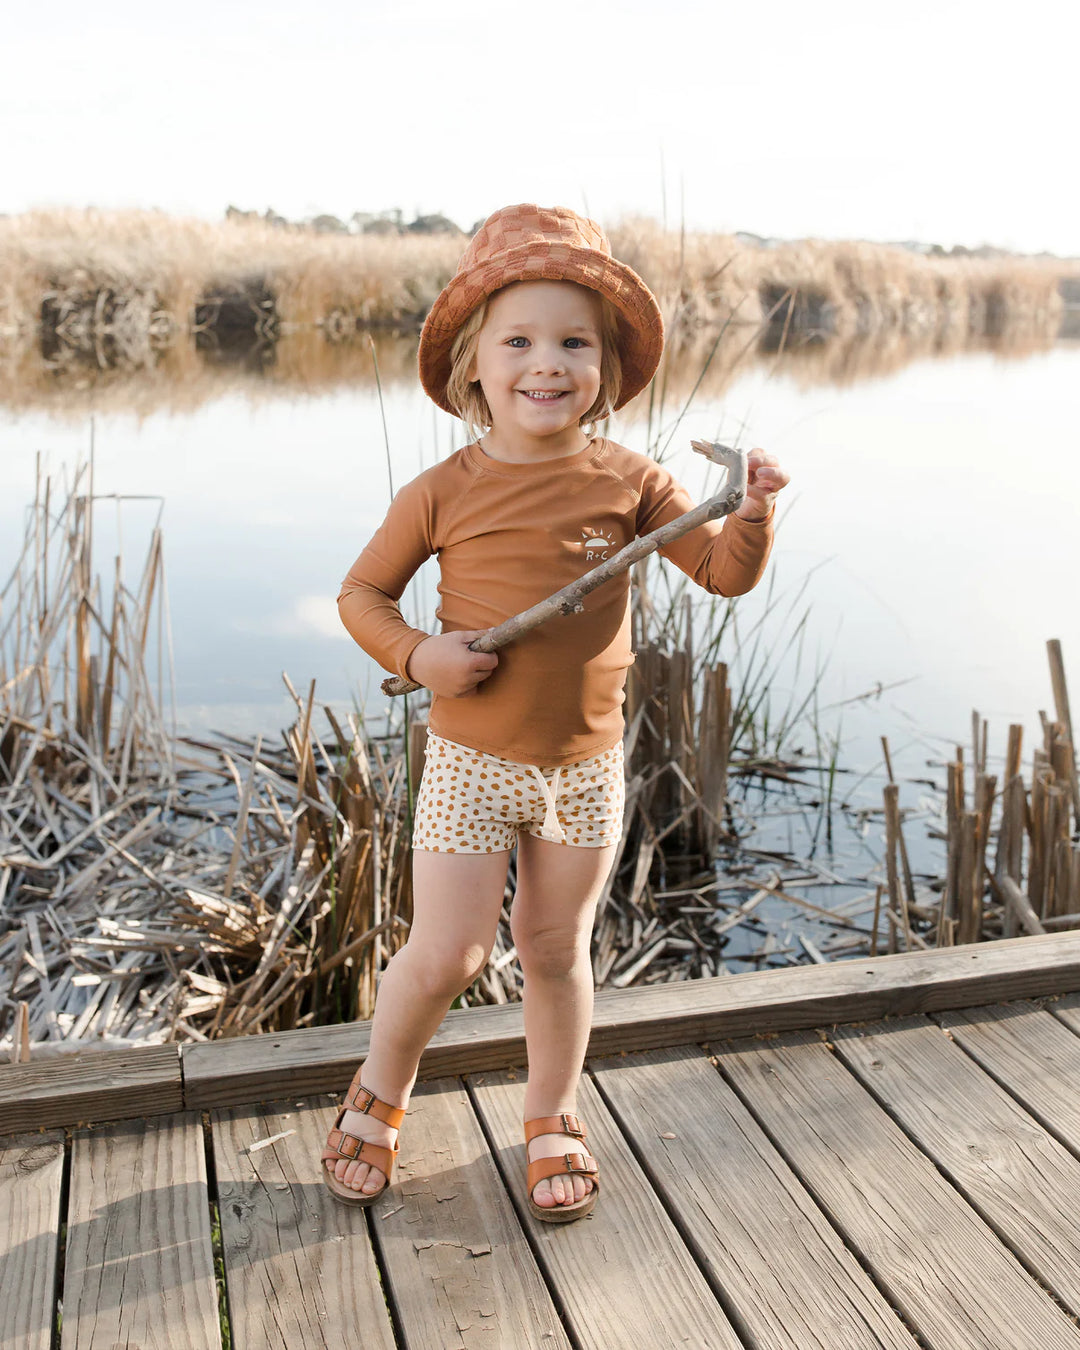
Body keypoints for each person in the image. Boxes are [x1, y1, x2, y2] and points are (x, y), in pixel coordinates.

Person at [322, 203, 788, 1222]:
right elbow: (363, 598)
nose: (548, 364)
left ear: (607, 369)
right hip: (469, 761)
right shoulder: (442, 490)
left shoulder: (632, 480)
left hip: (582, 764)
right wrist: (421, 654)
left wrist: (749, 514)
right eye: (520, 341)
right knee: (447, 953)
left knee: (552, 947)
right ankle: (380, 1090)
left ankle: (551, 1111)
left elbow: (720, 573)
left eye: (574, 342)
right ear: (474, 368)